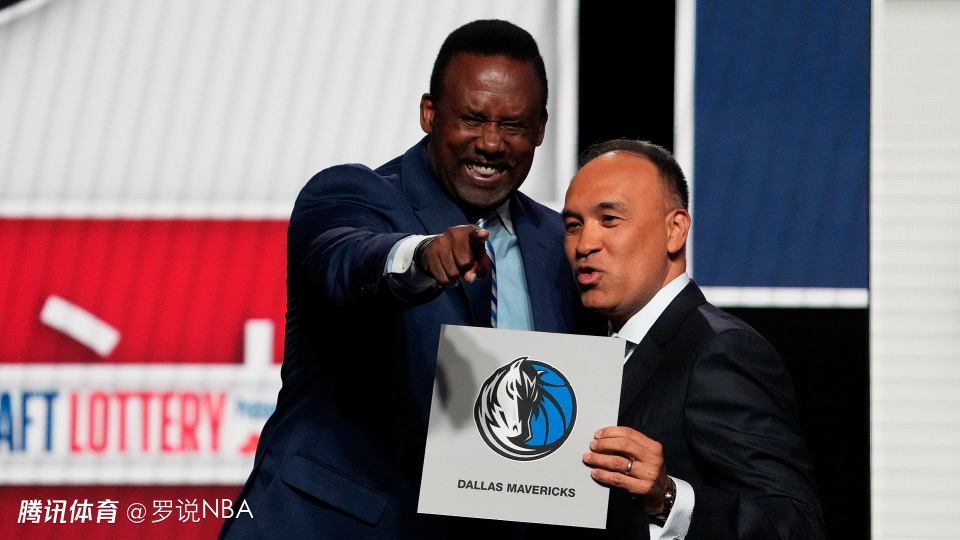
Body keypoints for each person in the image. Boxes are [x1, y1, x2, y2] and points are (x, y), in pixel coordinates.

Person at [219, 20, 595, 540]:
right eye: (471, 119)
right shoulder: (352, 194)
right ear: (429, 113)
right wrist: (419, 257)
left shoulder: (562, 243)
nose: (491, 143)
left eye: (513, 125)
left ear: (541, 129)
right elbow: (347, 261)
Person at [537, 139, 827, 539]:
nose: (584, 244)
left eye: (609, 219)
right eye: (573, 226)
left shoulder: (721, 351)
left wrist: (669, 499)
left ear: (674, 230)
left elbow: (795, 527)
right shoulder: (581, 354)